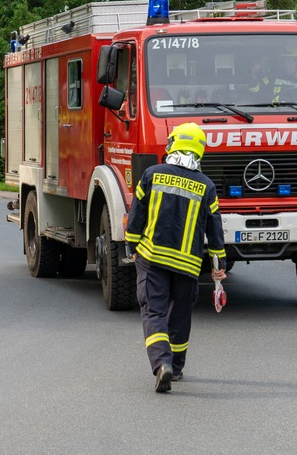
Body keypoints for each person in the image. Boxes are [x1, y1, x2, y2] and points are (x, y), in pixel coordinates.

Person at [124, 122, 226, 393]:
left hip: (153, 257)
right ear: (200, 151)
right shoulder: (207, 186)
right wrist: (219, 265)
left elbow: (136, 217)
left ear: (173, 145)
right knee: (180, 314)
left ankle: (162, 364)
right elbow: (215, 231)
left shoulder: (152, 175)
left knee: (154, 310)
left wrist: (131, 245)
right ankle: (177, 367)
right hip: (188, 265)